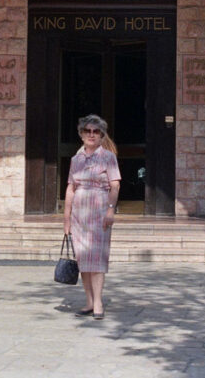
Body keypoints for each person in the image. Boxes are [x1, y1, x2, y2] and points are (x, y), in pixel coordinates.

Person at [64, 114, 121, 319]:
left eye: (96, 132)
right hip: (80, 214)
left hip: (99, 212)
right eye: (87, 131)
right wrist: (67, 218)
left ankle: (98, 302)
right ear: (81, 135)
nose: (91, 135)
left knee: (97, 258)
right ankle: (88, 301)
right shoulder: (75, 160)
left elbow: (115, 185)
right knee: (83, 259)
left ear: (101, 135)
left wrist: (110, 210)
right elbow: (71, 187)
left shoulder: (108, 157)